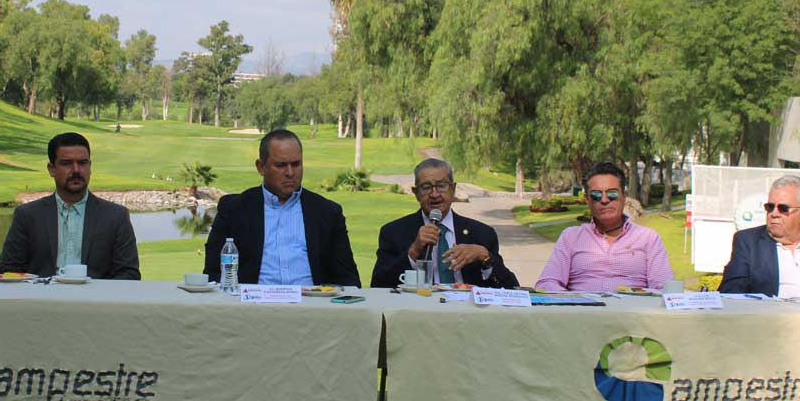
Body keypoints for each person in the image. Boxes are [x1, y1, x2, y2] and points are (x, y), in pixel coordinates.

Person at [204, 129, 360, 286]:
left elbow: (348, 279)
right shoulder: (234, 209)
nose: (290, 172)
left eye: (296, 164)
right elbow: (213, 273)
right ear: (261, 167)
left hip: (312, 305)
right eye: (281, 165)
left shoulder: (327, 212)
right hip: (252, 305)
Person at [0, 132, 139, 279]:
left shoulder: (115, 216)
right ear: (51, 169)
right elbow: (8, 271)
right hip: (42, 300)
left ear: (90, 167)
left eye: (83, 163)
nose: (76, 170)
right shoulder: (27, 215)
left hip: (94, 300)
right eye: (67, 163)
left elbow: (129, 274)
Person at [371, 159, 520, 288]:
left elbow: (511, 288)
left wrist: (485, 257)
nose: (435, 194)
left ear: (453, 189)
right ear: (416, 193)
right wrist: (413, 253)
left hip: (467, 314)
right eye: (426, 187)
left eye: (441, 186)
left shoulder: (482, 234)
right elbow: (378, 285)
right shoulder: (393, 232)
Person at [535, 161, 672, 292]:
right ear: (587, 200)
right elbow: (546, 283)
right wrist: (572, 299)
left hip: (632, 313)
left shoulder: (648, 238)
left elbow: (664, 288)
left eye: (612, 194)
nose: (605, 200)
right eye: (596, 195)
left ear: (624, 196)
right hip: (583, 311)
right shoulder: (570, 237)